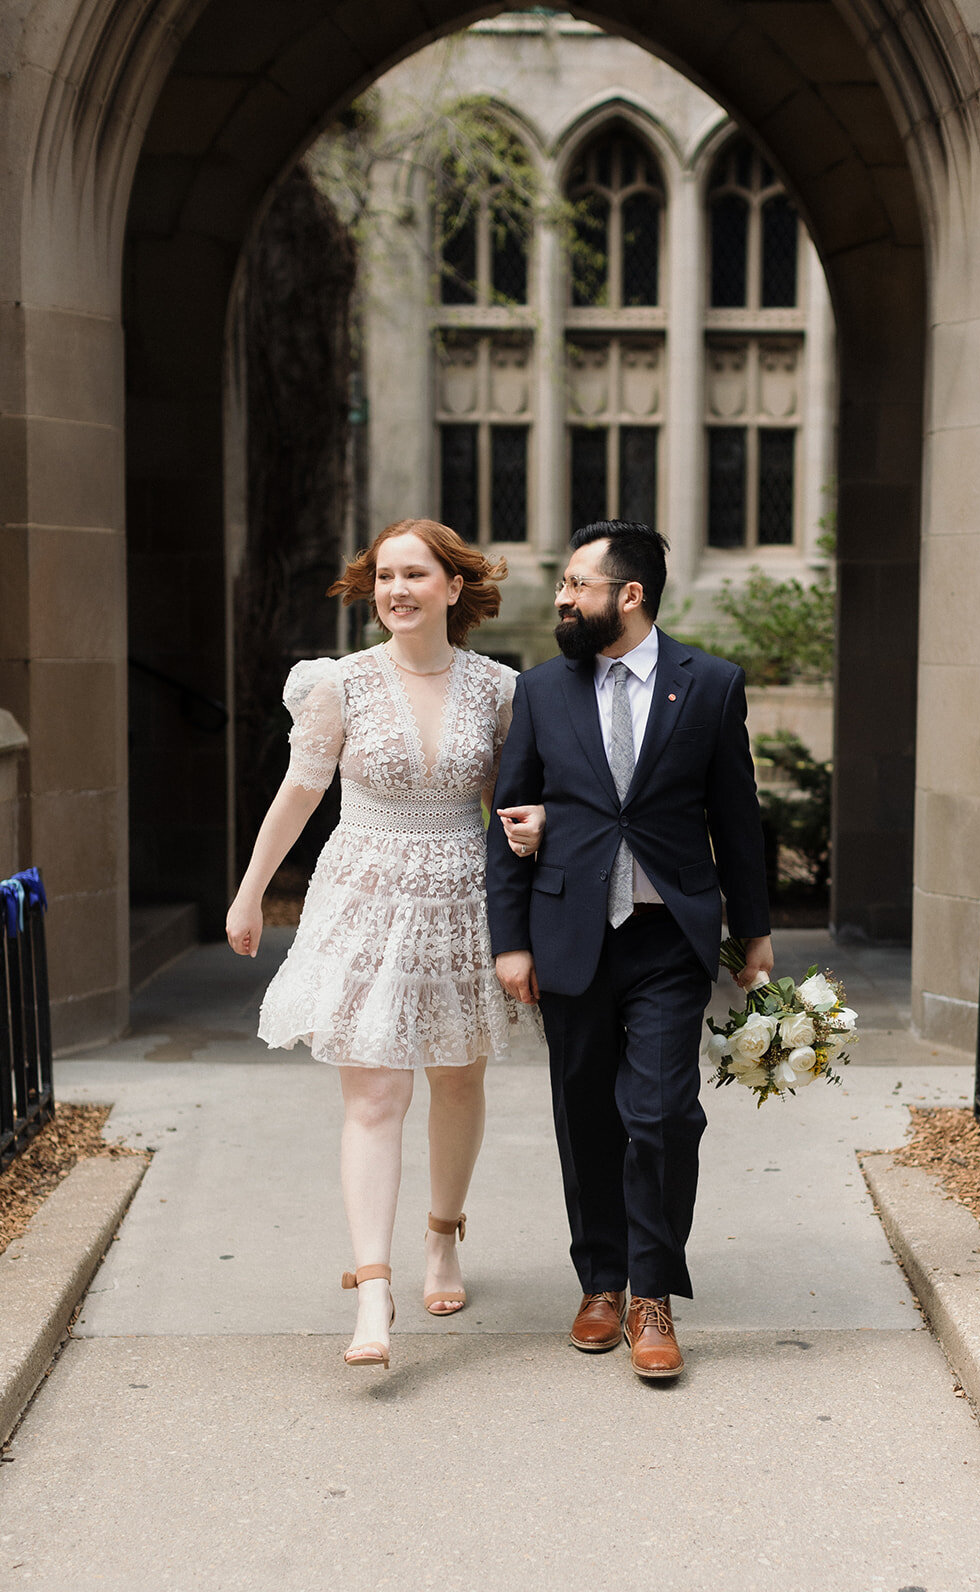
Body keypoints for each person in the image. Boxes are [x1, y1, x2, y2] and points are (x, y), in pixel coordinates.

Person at [226, 519, 543, 1370]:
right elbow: (300, 792)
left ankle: (443, 1235)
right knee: (373, 1096)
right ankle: (373, 1289)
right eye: (383, 576)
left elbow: (507, 798)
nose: (395, 590)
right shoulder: (337, 683)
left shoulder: (496, 688)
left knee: (457, 1076)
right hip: (363, 896)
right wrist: (252, 890)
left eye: (414, 574)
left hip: (460, 898)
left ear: (452, 587)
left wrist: (528, 849)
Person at [487, 520, 772, 1381]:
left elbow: (736, 815)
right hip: (569, 936)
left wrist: (752, 932)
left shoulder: (712, 685)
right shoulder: (539, 691)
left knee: (660, 1116)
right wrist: (509, 943)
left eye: (577, 584)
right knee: (586, 1118)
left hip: (665, 937)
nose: (562, 598)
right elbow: (507, 821)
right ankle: (600, 1282)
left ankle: (651, 1294)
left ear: (629, 595)